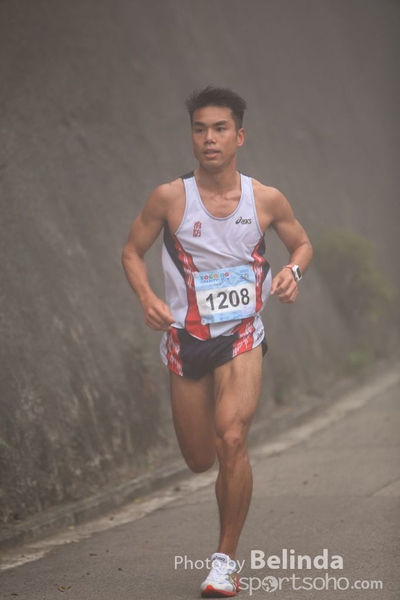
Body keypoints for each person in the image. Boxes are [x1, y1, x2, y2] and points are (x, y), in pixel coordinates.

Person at [122, 86, 313, 598]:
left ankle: (224, 563)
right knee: (200, 458)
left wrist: (293, 272)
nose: (209, 138)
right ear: (192, 136)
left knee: (232, 439)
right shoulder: (169, 198)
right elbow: (131, 252)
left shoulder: (265, 199)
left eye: (220, 128)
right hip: (185, 338)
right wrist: (147, 298)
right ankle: (220, 506)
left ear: (239, 136)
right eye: (200, 129)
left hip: (241, 333)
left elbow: (301, 243)